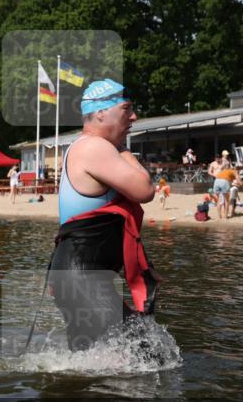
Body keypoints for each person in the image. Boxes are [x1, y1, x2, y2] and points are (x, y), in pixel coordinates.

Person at [45, 79, 159, 353]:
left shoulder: (86, 146)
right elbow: (144, 189)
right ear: (100, 113)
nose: (134, 117)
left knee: (123, 354)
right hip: (81, 276)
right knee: (136, 356)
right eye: (126, 109)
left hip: (78, 274)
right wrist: (125, 152)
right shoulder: (95, 147)